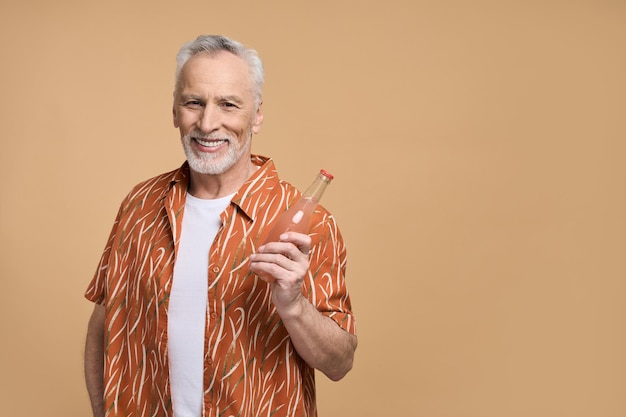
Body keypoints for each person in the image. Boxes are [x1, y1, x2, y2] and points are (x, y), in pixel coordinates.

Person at [83, 34, 357, 417]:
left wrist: (294, 306)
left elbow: (340, 363)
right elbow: (103, 326)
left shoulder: (311, 226)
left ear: (257, 114)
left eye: (229, 104)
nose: (208, 123)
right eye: (194, 103)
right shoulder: (139, 205)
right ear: (175, 111)